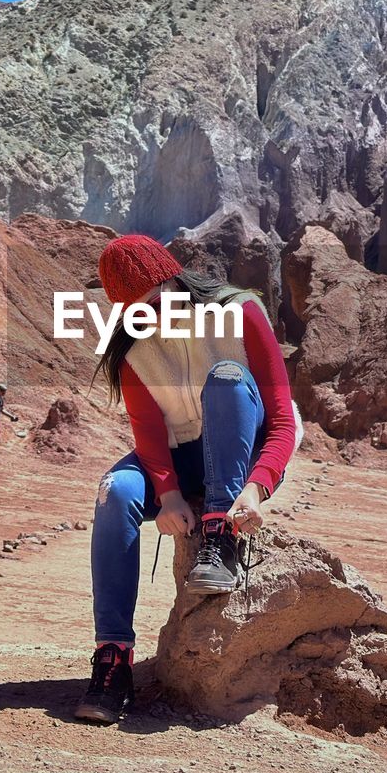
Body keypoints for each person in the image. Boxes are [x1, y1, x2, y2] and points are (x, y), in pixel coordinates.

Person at [74, 234, 302, 725]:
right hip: (178, 461)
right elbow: (149, 433)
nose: (150, 316)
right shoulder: (132, 348)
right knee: (115, 492)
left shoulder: (239, 312)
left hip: (243, 455)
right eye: (136, 312)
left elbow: (284, 419)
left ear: (174, 277)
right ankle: (113, 660)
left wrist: (256, 487)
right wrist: (169, 493)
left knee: (226, 377)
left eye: (155, 301)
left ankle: (217, 535)